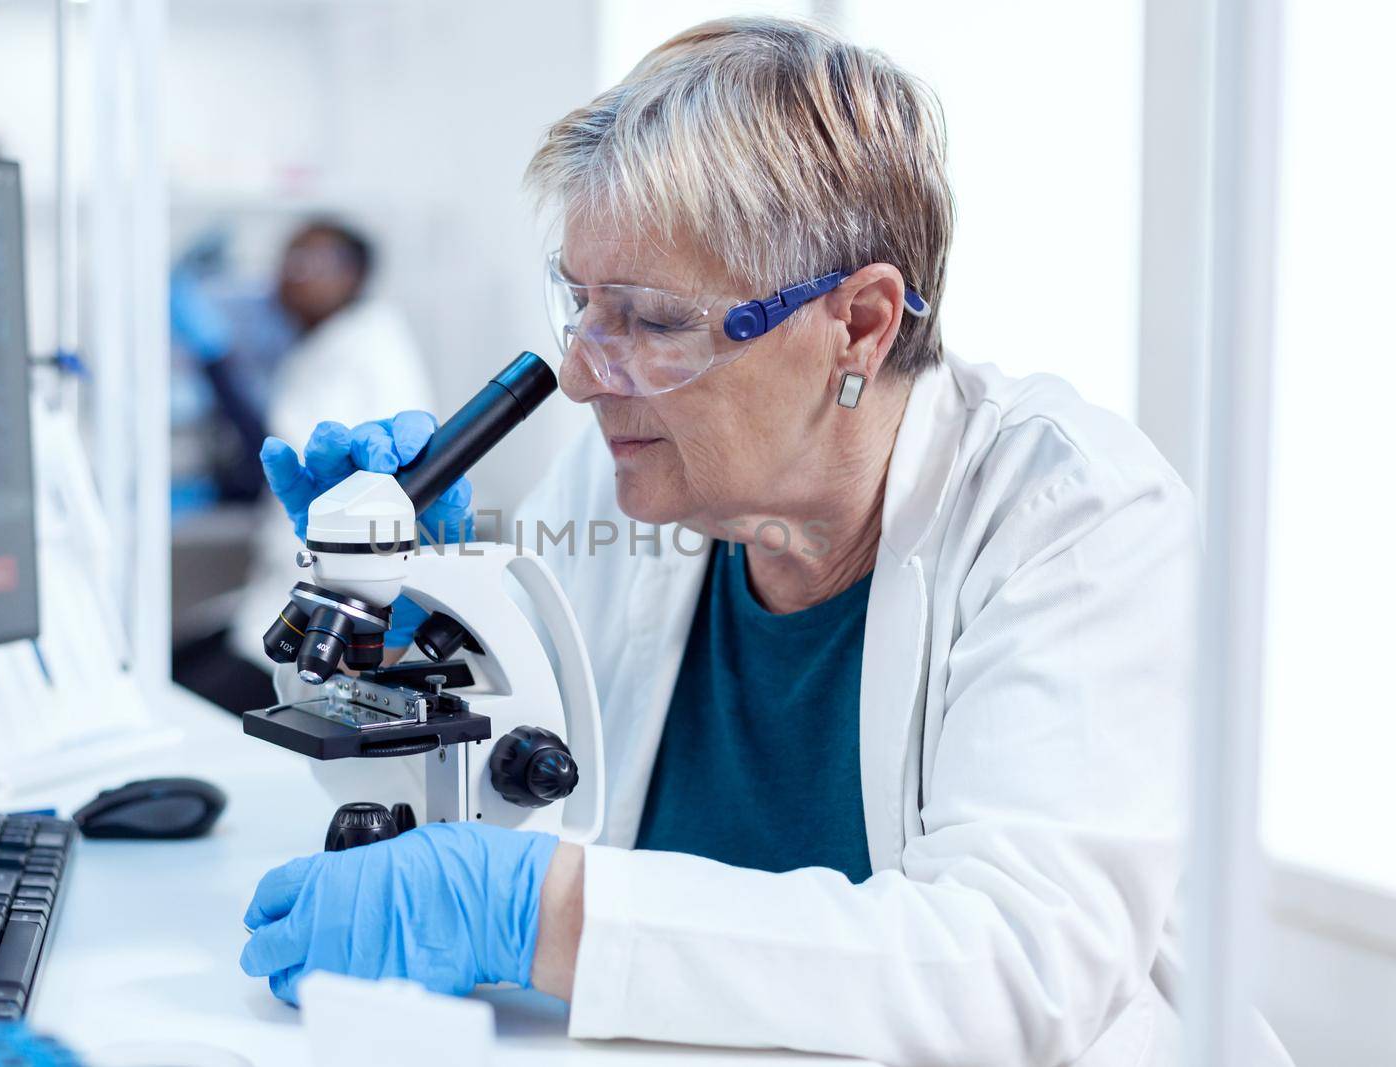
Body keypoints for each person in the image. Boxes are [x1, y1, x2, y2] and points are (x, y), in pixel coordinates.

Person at [237, 17, 1293, 1066]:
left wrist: (535, 914)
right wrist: (446, 614)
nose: (583, 372)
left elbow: (1014, 969)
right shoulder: (620, 487)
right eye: (581, 302)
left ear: (860, 322)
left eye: (652, 321)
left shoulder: (1071, 512)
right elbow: (519, 796)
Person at [172, 221, 432, 712]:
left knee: (194, 701)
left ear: (354, 276)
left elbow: (265, 459)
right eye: (287, 260)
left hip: (327, 604)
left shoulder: (358, 354)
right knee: (177, 671)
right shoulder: (334, 343)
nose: (289, 276)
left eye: (310, 264)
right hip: (290, 588)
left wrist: (216, 359)